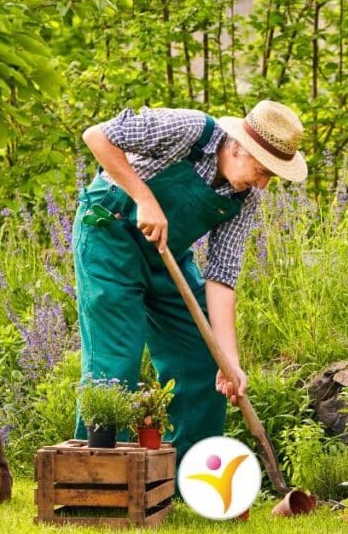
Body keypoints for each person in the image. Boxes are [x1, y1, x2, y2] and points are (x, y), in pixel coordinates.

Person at [72, 100, 308, 463]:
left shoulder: (244, 200)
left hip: (166, 256)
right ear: (238, 148)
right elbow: (98, 136)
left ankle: (188, 477)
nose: (263, 183)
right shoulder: (189, 130)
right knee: (115, 362)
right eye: (262, 170)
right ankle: (99, 481)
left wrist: (229, 361)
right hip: (109, 238)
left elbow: (222, 275)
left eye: (270, 178)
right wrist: (144, 198)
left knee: (203, 358)